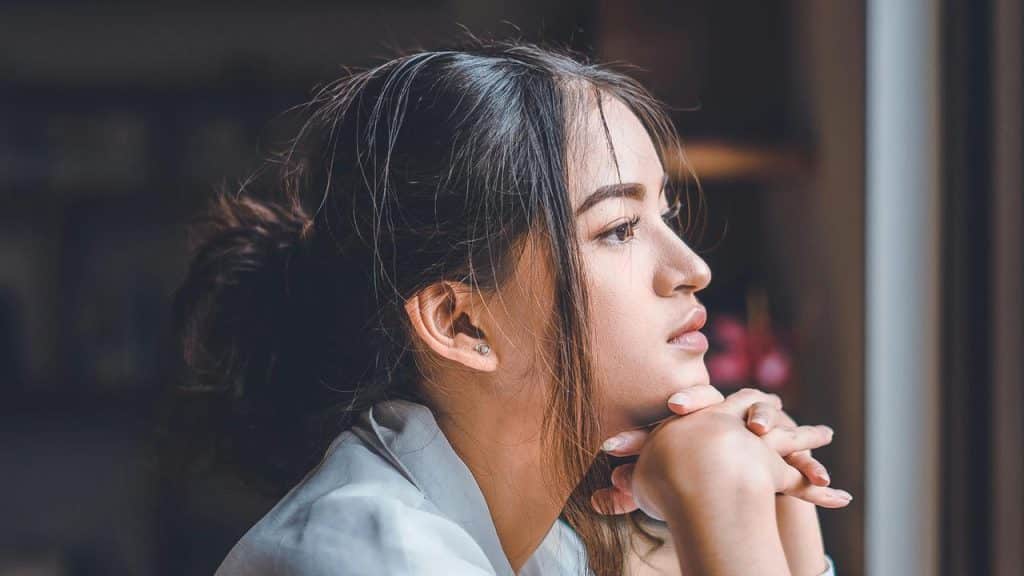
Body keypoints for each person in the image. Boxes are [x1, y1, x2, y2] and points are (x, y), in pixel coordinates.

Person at [171, 38, 851, 575]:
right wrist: (721, 491)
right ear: (461, 324)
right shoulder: (370, 558)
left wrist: (784, 522)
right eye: (618, 228)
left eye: (666, 217)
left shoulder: (552, 550)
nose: (692, 270)